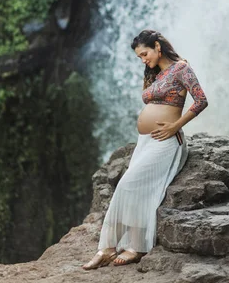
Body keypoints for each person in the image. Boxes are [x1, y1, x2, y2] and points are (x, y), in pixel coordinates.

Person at [82, 29, 208, 268]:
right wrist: (148, 70)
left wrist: (175, 127)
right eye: (139, 57)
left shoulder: (181, 68)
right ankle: (111, 247)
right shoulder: (154, 73)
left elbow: (201, 100)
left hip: (166, 140)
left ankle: (128, 247)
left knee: (130, 184)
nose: (143, 59)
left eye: (144, 54)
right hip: (146, 141)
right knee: (132, 188)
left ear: (158, 47)